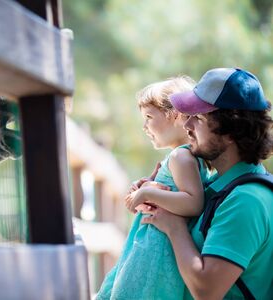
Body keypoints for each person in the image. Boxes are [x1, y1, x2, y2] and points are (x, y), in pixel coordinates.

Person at [141, 67, 273, 299]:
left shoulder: (245, 200)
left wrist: (174, 226)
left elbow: (207, 290)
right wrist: (158, 191)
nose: (187, 125)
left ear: (231, 131)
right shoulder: (219, 186)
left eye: (198, 118)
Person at [96, 76, 211, 299]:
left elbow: (193, 203)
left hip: (157, 250)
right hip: (157, 242)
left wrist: (148, 193)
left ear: (175, 115)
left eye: (149, 117)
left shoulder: (181, 156)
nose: (145, 126)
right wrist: (148, 190)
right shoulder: (182, 157)